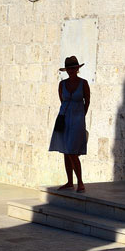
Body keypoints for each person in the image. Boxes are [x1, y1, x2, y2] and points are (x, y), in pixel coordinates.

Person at [49, 55, 90, 191]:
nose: (71, 71)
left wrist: (80, 115)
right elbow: (62, 100)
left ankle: (80, 182)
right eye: (69, 69)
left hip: (78, 120)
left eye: (73, 68)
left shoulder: (83, 83)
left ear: (77, 69)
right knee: (66, 151)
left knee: (72, 150)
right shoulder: (62, 84)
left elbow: (87, 101)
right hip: (64, 118)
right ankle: (69, 181)